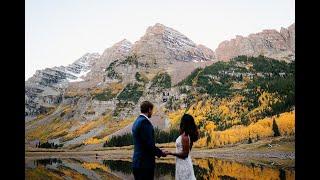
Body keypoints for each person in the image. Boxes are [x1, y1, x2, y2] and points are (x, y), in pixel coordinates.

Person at [132, 101, 166, 180]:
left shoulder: (136, 121)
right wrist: (160, 153)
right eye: (152, 110)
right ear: (149, 109)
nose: (152, 113)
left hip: (137, 163)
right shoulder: (144, 122)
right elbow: (149, 144)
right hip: (145, 165)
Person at [164, 114, 199, 180]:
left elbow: (185, 154)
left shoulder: (185, 137)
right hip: (181, 163)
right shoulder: (188, 135)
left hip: (183, 164)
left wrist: (171, 153)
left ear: (183, 122)